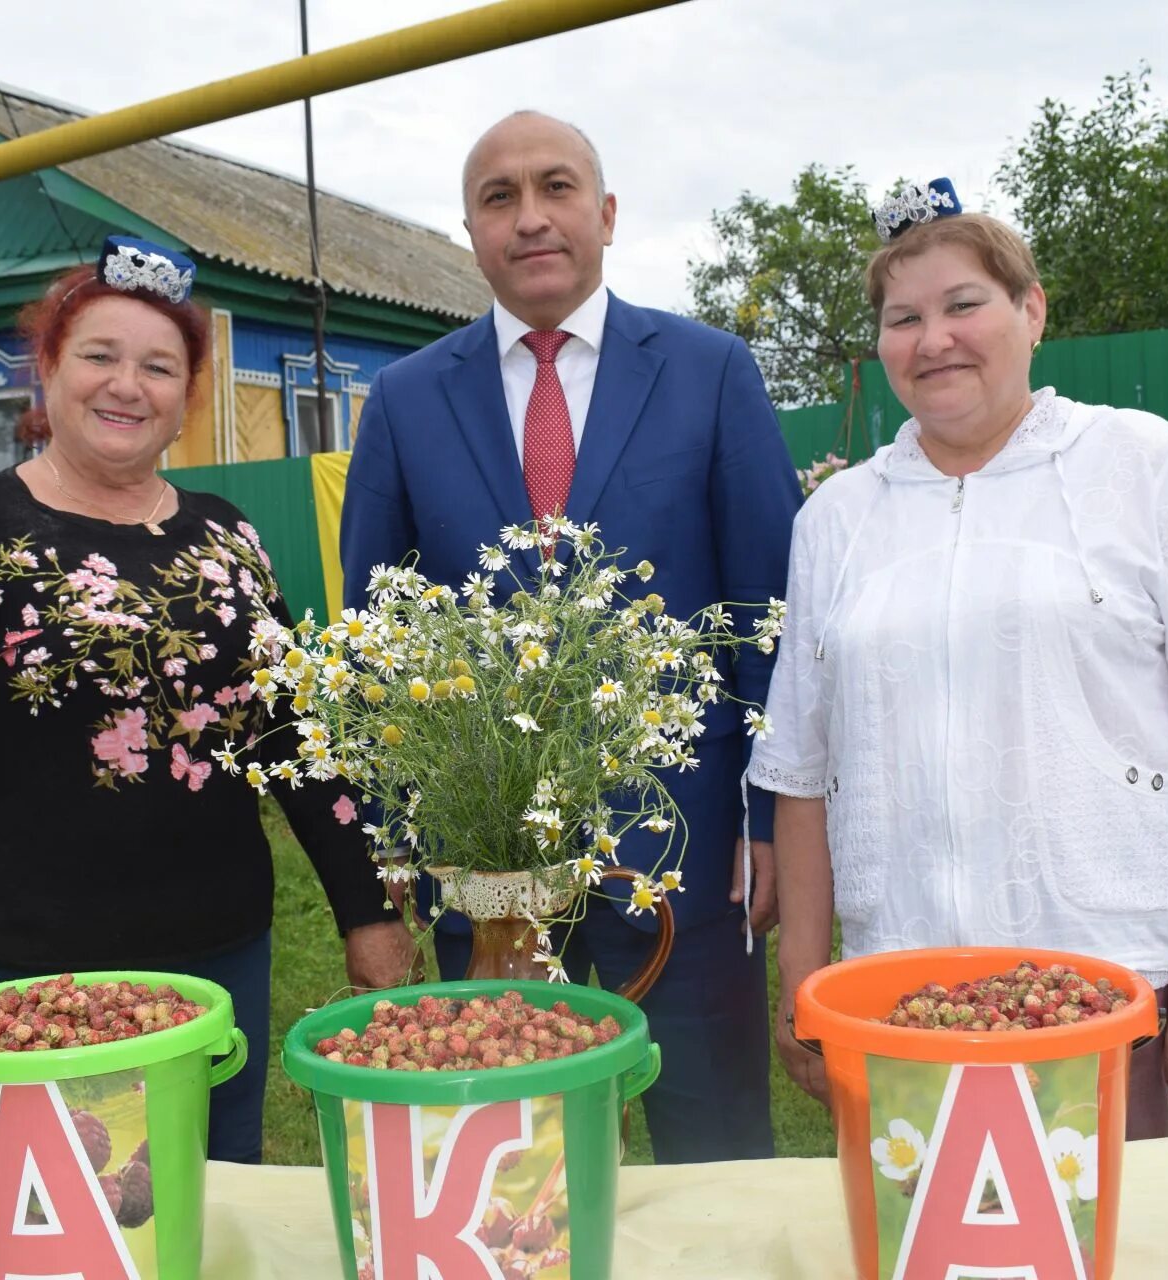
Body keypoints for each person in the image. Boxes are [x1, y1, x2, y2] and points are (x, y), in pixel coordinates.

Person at [752, 180, 1168, 1136]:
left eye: (964, 304)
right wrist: (805, 969)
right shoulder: (837, 519)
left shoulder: (1139, 462)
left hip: (1100, 985)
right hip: (902, 991)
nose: (934, 341)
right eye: (904, 318)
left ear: (1031, 310)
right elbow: (802, 767)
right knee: (913, 1243)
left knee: (1101, 1244)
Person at [0, 236, 415, 1163]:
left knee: (204, 1218)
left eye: (159, 366)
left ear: (185, 397)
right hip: (27, 985)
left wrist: (370, 914)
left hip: (218, 962)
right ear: (48, 370)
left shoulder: (226, 538)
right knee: (54, 1236)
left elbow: (294, 739)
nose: (126, 386)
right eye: (99, 356)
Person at [340, 112, 800, 1163]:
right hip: (485, 857)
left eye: (555, 187)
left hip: (684, 847)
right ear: (469, 231)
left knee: (714, 1141)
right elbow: (380, 637)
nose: (531, 216)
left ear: (606, 213)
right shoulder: (407, 399)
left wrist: (772, 815)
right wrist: (394, 848)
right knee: (508, 1151)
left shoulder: (710, 369)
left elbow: (769, 608)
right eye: (499, 197)